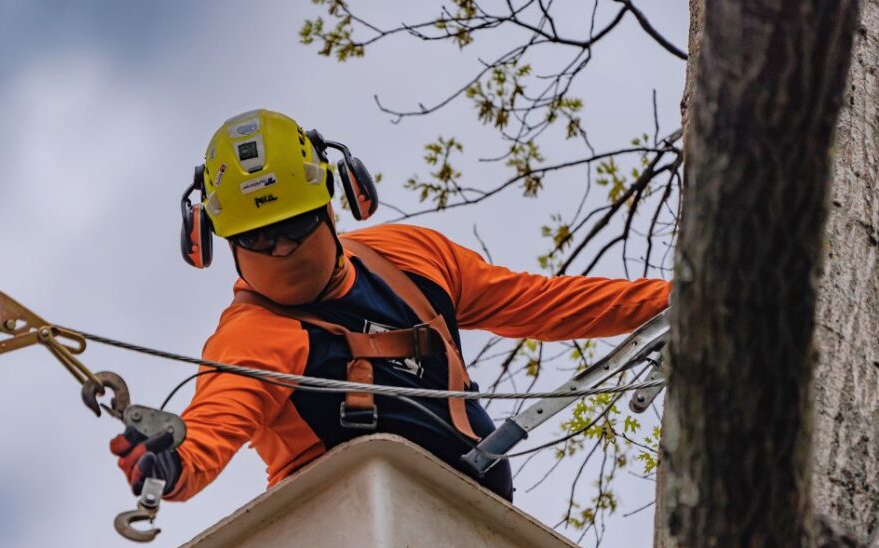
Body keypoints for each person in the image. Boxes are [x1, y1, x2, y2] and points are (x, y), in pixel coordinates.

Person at [110, 109, 669, 504]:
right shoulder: (251, 337)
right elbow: (212, 427)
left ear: (334, 204)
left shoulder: (411, 259)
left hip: (477, 526)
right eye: (257, 238)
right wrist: (171, 464)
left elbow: (546, 303)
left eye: (294, 225)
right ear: (217, 239)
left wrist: (680, 301)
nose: (280, 248)